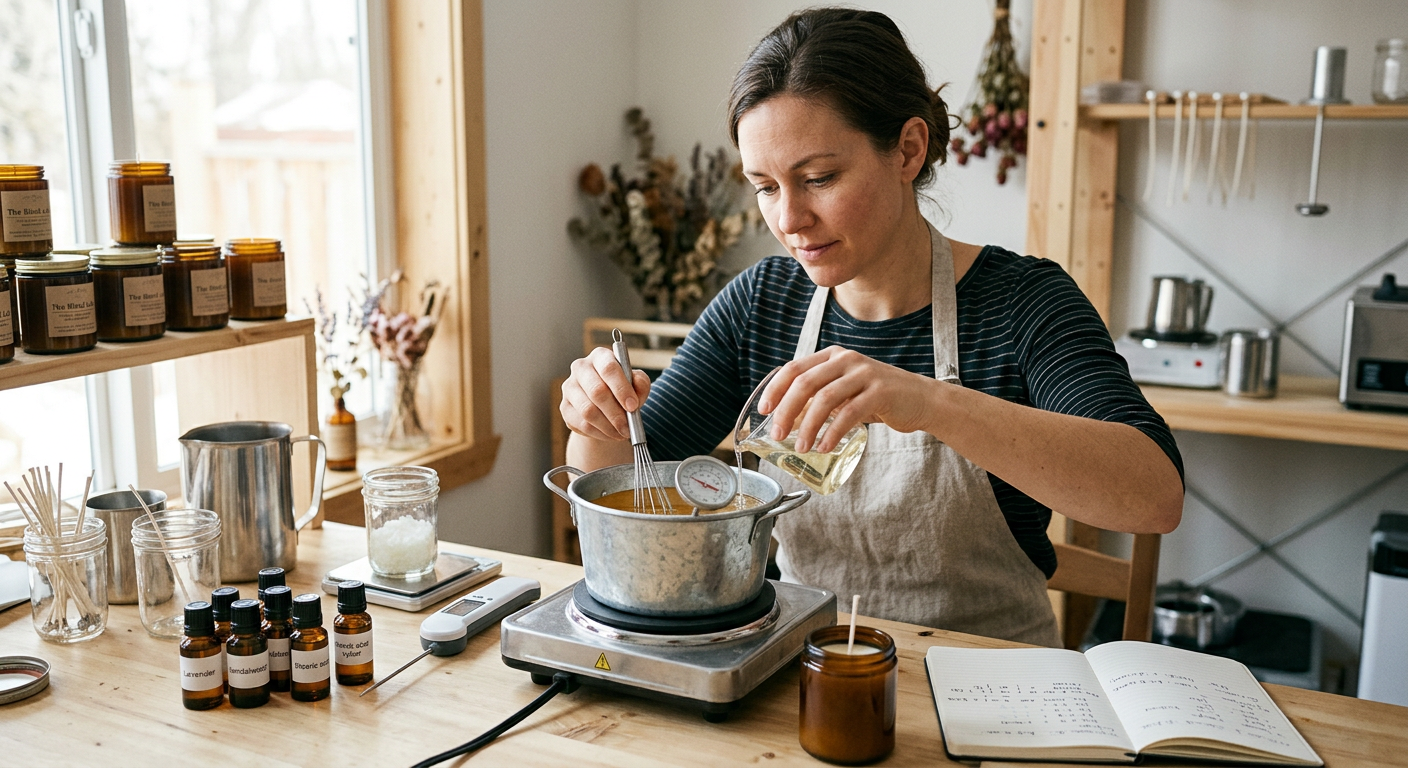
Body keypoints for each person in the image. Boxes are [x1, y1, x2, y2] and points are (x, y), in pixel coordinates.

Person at [560, 7, 1184, 647]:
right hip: (810, 668)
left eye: (819, 178)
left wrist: (930, 402)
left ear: (908, 149)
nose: (791, 219)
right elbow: (627, 485)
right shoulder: (760, 305)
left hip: (996, 689)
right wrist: (597, 420)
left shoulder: (1022, 302)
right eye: (765, 187)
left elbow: (1153, 496)